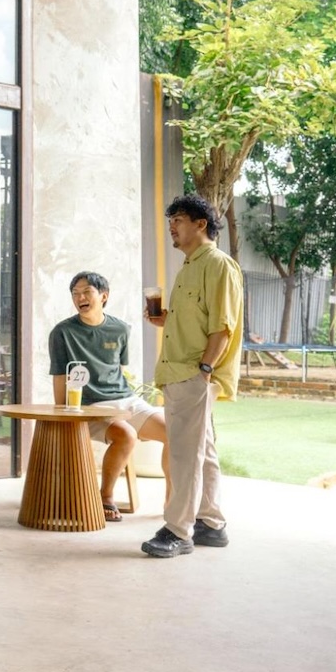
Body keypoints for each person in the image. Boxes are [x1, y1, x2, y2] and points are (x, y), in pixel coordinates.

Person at [141, 194, 243, 559]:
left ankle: (177, 530)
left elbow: (223, 326)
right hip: (179, 371)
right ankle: (210, 524)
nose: (172, 227)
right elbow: (198, 320)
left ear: (201, 224)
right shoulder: (189, 266)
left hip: (194, 373)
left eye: (179, 220)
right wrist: (166, 320)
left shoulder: (218, 265)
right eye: (171, 221)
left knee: (184, 454)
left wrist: (205, 370)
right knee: (203, 450)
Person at [48, 271, 170, 522]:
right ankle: (105, 497)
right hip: (89, 405)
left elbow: (118, 370)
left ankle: (173, 501)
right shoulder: (62, 332)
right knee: (126, 435)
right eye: (75, 293)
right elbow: (60, 376)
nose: (80, 298)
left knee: (174, 433)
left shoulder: (121, 329)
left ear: (104, 296)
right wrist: (62, 415)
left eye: (86, 292)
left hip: (126, 400)